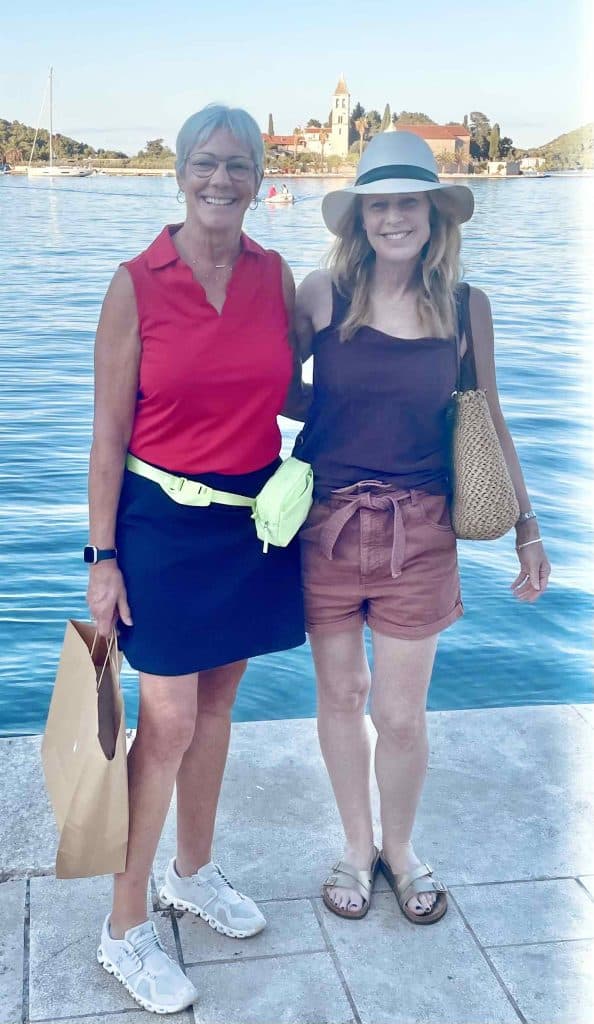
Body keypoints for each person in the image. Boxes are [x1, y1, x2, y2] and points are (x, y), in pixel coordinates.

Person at [293, 131, 551, 923]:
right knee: (342, 696)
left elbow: (490, 418)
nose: (395, 217)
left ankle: (400, 851)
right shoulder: (320, 294)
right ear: (359, 217)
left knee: (401, 714)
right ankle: (354, 844)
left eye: (409, 202)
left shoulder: (468, 306)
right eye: (380, 204)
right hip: (327, 526)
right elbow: (266, 388)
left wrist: (528, 528)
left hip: (423, 531)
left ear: (435, 214)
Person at [86, 103, 306, 1014]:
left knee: (217, 710)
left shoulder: (275, 273)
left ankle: (193, 871)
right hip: (160, 529)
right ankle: (124, 926)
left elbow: (304, 385)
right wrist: (101, 553)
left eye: (240, 166)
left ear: (260, 179)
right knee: (167, 722)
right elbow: (105, 433)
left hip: (250, 525)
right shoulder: (137, 282)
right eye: (206, 164)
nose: (222, 180)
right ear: (178, 172)